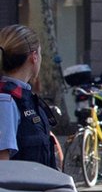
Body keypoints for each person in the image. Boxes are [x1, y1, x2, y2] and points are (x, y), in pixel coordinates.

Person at [0, 24, 61, 169]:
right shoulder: (5, 101)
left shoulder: (25, 98)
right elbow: (2, 166)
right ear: (34, 57)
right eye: (40, 53)